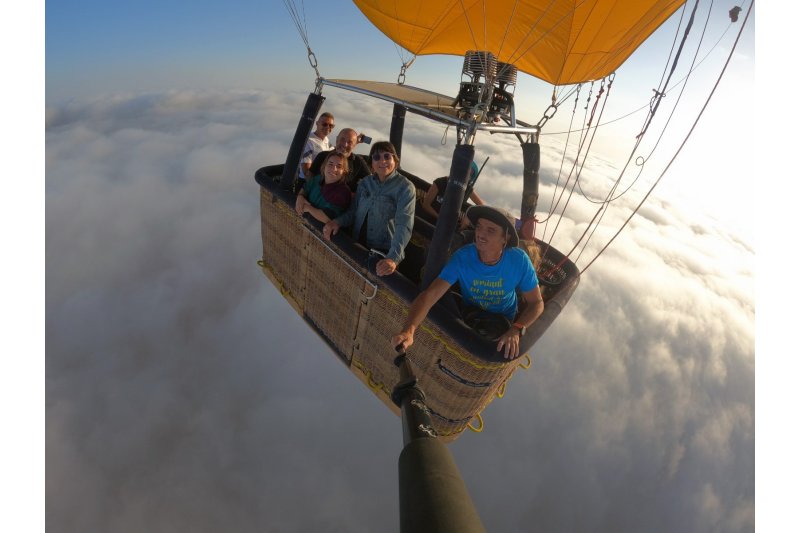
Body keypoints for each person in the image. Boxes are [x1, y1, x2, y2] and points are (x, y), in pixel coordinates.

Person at [392, 205, 544, 359]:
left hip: (503, 318)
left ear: (506, 238)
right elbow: (430, 295)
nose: (480, 234)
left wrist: (517, 328)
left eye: (490, 230)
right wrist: (408, 330)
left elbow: (537, 303)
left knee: (496, 350)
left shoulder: (519, 261)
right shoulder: (463, 258)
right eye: (479, 227)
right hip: (470, 312)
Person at [323, 141, 416, 277]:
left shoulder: (405, 188)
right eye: (377, 157)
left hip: (382, 251)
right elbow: (353, 211)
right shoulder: (366, 183)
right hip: (357, 243)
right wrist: (337, 222)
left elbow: (404, 224)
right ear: (372, 163)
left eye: (387, 156)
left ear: (395, 160)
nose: (382, 161)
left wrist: (393, 258)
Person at [295, 151, 351, 223]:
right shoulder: (318, 179)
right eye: (330, 164)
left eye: (339, 166)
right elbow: (305, 189)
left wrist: (308, 208)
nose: (334, 169)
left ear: (344, 171)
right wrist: (300, 197)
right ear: (324, 166)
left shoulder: (343, 192)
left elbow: (327, 218)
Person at [420, 160, 485, 222]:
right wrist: (439, 218)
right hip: (428, 221)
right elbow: (426, 205)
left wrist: (468, 219)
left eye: (469, 175)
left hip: (449, 226)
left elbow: (482, 206)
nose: (463, 175)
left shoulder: (467, 190)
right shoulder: (440, 182)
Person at [298, 112, 335, 181]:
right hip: (308, 183)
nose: (327, 127)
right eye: (324, 124)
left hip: (321, 180)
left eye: (331, 126)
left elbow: (335, 152)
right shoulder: (309, 141)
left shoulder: (326, 140)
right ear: (317, 123)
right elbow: (306, 171)